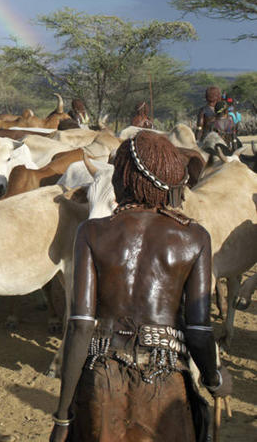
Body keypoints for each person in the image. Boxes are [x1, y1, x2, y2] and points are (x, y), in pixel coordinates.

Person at [50, 131, 231, 442]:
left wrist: (63, 416)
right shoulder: (194, 237)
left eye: (119, 171)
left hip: (103, 381)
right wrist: (215, 381)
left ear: (129, 179)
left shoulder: (91, 233)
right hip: (165, 383)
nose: (116, 180)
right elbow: (199, 331)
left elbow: (80, 327)